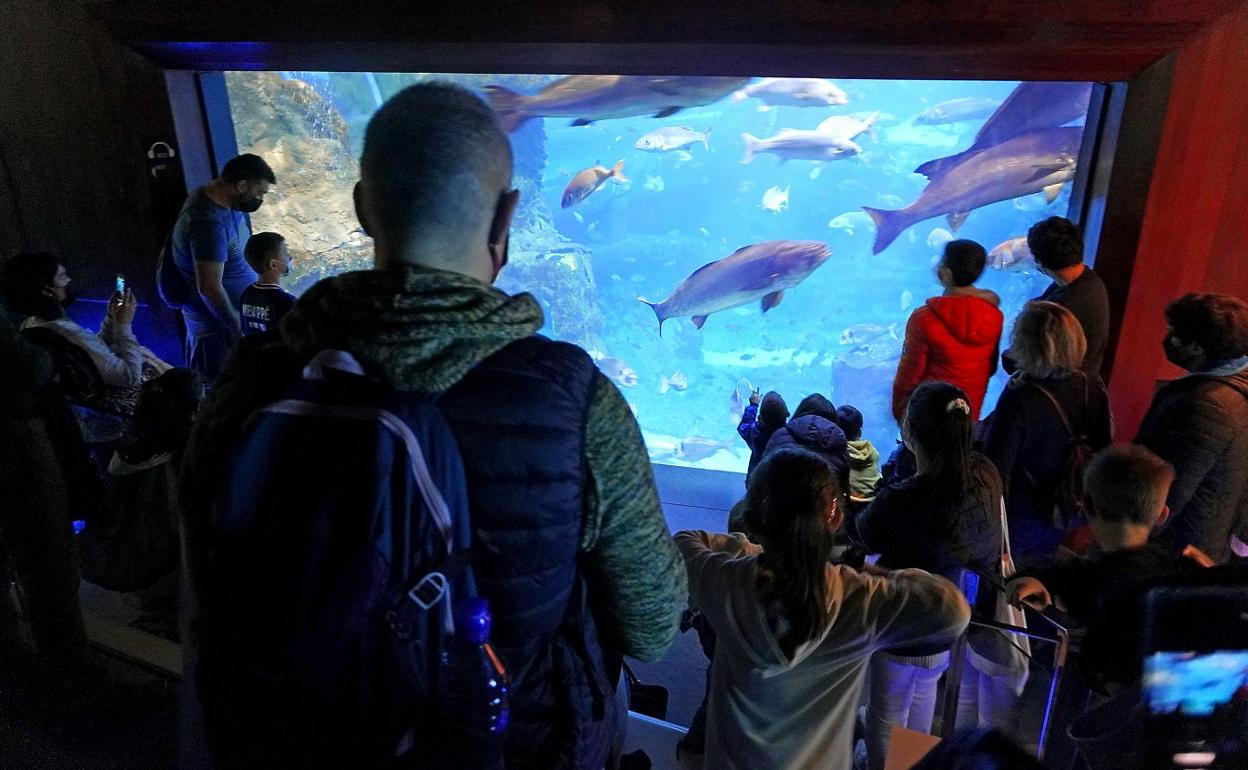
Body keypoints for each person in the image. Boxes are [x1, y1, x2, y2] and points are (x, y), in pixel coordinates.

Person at [180, 82, 685, 768]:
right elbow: (653, 623)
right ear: (506, 216)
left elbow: (210, 574)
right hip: (517, 744)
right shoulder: (576, 402)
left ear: (362, 208)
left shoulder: (251, 380)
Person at [676, 448, 969, 770]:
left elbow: (685, 541)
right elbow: (952, 610)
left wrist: (750, 549)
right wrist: (863, 569)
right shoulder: (859, 599)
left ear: (753, 520)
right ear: (836, 516)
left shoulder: (723, 581)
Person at [855, 382, 1018, 769]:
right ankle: (913, 764)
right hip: (953, 619)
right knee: (924, 693)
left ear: (911, 431)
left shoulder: (904, 499)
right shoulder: (986, 473)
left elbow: (864, 532)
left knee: (886, 708)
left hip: (902, 621)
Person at [1006, 444, 1202, 692]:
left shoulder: (1093, 578)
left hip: (1093, 698)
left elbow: (1062, 579)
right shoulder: (1172, 565)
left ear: (1087, 507)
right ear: (1162, 514)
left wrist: (1034, 581)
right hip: (1156, 697)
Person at [0, 304, 91, 671]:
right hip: (12, 435)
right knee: (46, 557)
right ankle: (73, 681)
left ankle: (15, 668)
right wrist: (42, 357)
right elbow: (21, 365)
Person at [984, 302, 1113, 558]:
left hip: (1024, 513)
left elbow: (996, 467)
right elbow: (1103, 446)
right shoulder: (1091, 384)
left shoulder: (1019, 395)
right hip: (1069, 505)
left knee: (1012, 577)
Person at [0, 252, 171, 441]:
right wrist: (124, 326)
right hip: (112, 416)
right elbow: (128, 375)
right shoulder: (64, 331)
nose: (69, 280)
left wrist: (111, 320)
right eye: (62, 277)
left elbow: (88, 357)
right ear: (47, 290)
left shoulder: (33, 323)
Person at [1135, 293, 1248, 564]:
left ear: (1197, 348)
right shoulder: (1238, 386)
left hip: (1179, 551)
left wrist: (1129, 546)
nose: (1167, 338)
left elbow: (1170, 488)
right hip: (1213, 541)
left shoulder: (1203, 405)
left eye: (1174, 333)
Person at [171, 153, 276, 382]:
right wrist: (236, 325)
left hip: (227, 330)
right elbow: (209, 287)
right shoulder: (207, 221)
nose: (259, 200)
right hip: (217, 335)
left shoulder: (221, 203)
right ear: (241, 185)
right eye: (259, 193)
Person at [892, 239, 1003, 424]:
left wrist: (900, 412)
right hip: (968, 411)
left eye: (942, 261)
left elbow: (909, 375)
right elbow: (991, 367)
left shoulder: (924, 319)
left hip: (929, 414)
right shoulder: (994, 315)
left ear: (947, 273)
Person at [1004, 217, 1110, 376]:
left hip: (1057, 389)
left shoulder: (1062, 309)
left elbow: (1019, 362)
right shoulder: (1089, 281)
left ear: (1039, 262)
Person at [763, 392, 851, 488]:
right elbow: (843, 485)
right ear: (833, 420)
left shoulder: (779, 436)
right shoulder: (839, 446)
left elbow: (762, 479)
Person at [238, 232, 296, 337]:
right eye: (286, 253)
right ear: (273, 265)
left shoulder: (247, 294)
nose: (290, 257)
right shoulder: (287, 302)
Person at [737, 389, 789, 480]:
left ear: (760, 417)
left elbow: (744, 425)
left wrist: (754, 405)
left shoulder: (755, 434)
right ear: (786, 415)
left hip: (755, 482)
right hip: (780, 484)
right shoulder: (790, 436)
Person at [836, 404, 881, 506]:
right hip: (873, 506)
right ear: (860, 432)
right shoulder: (873, 452)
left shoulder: (837, 454)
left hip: (848, 507)